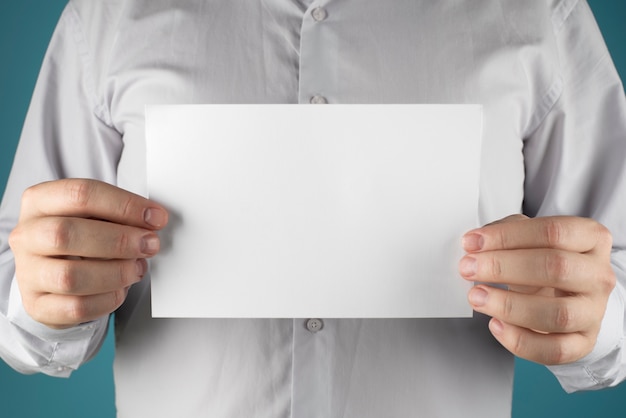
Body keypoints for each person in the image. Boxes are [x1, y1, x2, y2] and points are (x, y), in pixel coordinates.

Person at [1, 0, 625, 416]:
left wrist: (594, 314)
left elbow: (615, 273)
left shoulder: (542, 14)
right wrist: (45, 295)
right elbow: (15, 281)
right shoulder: (108, 15)